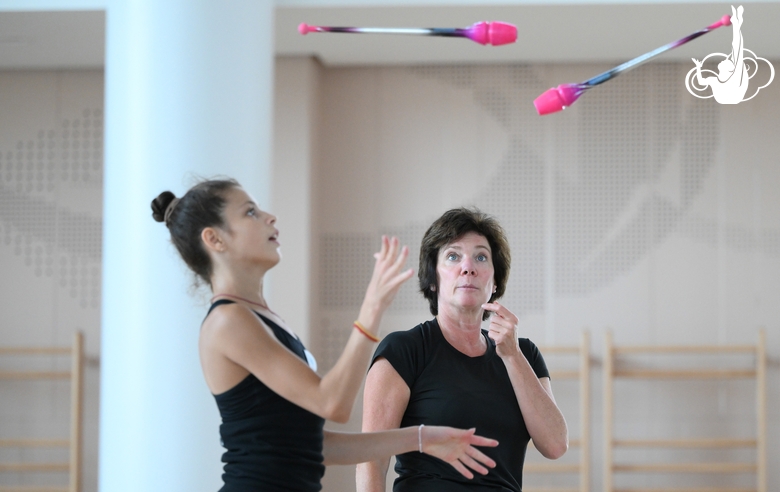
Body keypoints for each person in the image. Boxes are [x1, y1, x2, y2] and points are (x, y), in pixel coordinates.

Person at [150, 179, 499, 492]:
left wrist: (422, 437)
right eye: (251, 212)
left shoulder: (259, 317)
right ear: (214, 238)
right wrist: (372, 307)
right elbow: (332, 403)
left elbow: (314, 445)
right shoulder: (228, 321)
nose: (270, 217)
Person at [357, 207, 568, 492]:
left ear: (494, 282)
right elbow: (372, 459)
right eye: (453, 256)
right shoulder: (403, 350)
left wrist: (512, 356)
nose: (468, 267)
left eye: (481, 257)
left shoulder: (525, 354)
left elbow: (555, 445)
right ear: (433, 279)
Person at [692, 5, 748, 104]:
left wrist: (737, 27)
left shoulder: (733, 78)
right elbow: (701, 81)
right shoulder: (716, 80)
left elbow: (737, 47)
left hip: (732, 97)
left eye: (728, 62)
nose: (726, 59)